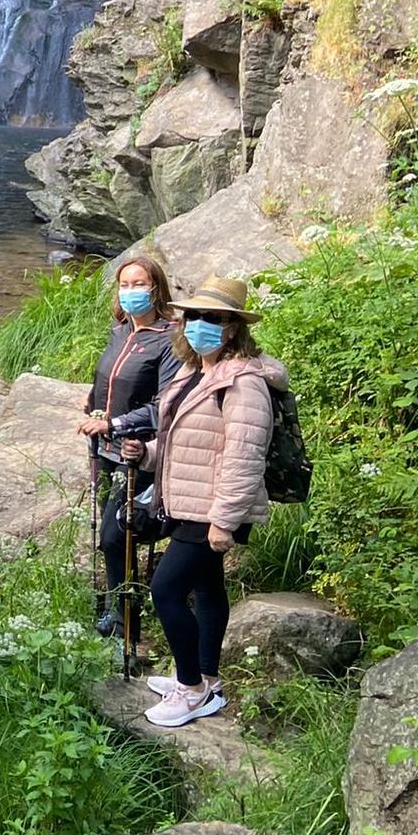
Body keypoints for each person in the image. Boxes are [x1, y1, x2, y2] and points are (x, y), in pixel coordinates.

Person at [116, 277, 286, 729]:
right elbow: (184, 442)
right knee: (208, 589)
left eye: (212, 318)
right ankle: (206, 679)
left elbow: (243, 455)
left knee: (165, 590)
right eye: (193, 316)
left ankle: (191, 690)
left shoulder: (244, 383)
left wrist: (224, 521)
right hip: (189, 499)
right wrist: (147, 453)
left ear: (232, 328)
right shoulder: (197, 372)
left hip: (211, 508)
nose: (198, 325)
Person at [74, 255, 181, 636]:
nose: (131, 291)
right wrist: (92, 405)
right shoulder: (120, 331)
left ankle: (126, 619)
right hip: (103, 449)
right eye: (125, 284)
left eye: (139, 284)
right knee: (113, 539)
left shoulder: (170, 338)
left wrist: (115, 423)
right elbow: (107, 378)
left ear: (156, 289)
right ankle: (121, 610)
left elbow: (164, 405)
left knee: (115, 533)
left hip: (138, 453)